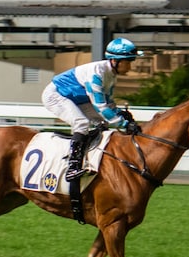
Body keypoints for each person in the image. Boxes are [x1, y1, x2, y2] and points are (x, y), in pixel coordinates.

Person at [42, 37, 143, 181]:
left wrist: (120, 114)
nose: (130, 67)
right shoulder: (97, 73)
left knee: (102, 123)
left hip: (78, 99)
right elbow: (100, 106)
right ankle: (73, 166)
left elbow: (108, 102)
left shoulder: (110, 75)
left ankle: (93, 158)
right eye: (128, 62)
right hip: (56, 95)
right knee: (81, 123)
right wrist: (124, 124)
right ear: (115, 61)